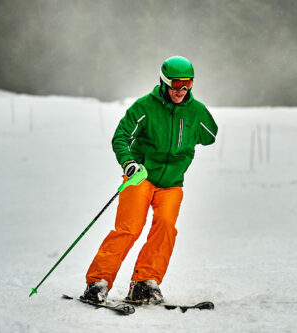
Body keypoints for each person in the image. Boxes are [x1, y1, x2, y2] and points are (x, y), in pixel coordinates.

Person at [82, 56, 218, 304]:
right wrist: (129, 163)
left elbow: (210, 135)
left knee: (165, 227)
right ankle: (97, 282)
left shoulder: (195, 110)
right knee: (129, 228)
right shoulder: (144, 107)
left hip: (172, 182)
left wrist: (189, 132)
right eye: (177, 84)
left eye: (187, 84)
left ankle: (144, 283)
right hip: (140, 177)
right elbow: (120, 137)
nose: (182, 90)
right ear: (165, 82)